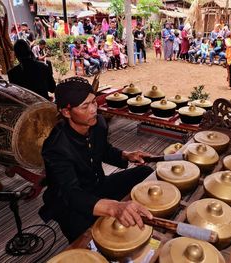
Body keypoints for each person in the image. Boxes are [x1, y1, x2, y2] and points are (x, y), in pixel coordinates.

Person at [38, 77, 154, 243]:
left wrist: (126, 155)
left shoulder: (98, 123)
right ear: (66, 112)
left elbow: (103, 149)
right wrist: (113, 208)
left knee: (145, 172)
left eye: (93, 102)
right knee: (89, 237)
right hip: (69, 201)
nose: (93, 109)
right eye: (85, 106)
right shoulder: (55, 147)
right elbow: (71, 194)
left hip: (97, 184)